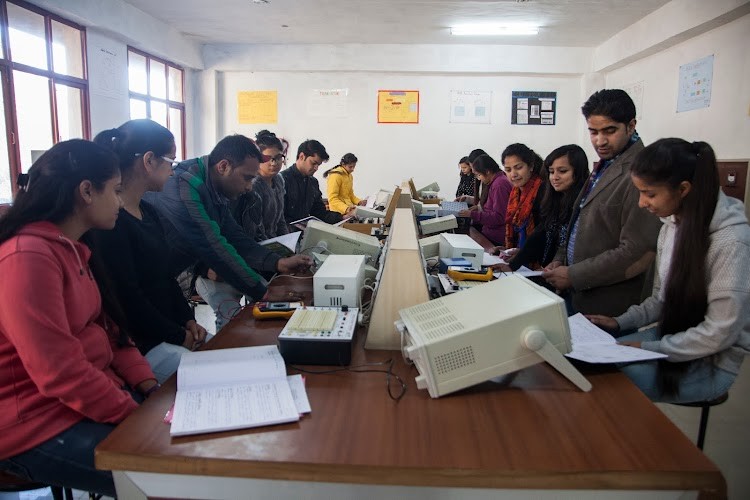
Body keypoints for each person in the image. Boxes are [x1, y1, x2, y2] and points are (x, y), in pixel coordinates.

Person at [0, 140, 157, 497]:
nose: (120, 201)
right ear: (86, 191)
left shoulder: (72, 249)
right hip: (32, 423)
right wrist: (134, 414)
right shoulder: (28, 257)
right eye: (115, 190)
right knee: (173, 471)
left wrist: (148, 387)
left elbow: (111, 333)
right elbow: (58, 372)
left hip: (74, 402)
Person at [587, 138, 750, 403]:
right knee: (598, 363)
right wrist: (620, 322)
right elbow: (662, 299)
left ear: (683, 189)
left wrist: (650, 348)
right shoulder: (671, 227)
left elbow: (720, 332)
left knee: (613, 385)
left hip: (713, 362)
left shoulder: (731, 241)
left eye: (649, 193)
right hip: (672, 335)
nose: (641, 203)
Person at [144, 134, 311, 330]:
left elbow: (234, 235)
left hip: (163, 278)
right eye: (247, 178)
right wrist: (264, 294)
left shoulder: (212, 185)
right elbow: (214, 245)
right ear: (223, 166)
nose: (249, 187)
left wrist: (278, 262)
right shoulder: (185, 187)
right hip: (147, 281)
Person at [88, 119, 208, 383]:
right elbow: (127, 298)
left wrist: (188, 321)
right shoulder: (110, 224)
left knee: (220, 353)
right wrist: (178, 335)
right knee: (212, 378)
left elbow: (166, 278)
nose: (174, 171)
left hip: (170, 331)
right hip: (143, 343)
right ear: (149, 160)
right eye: (171, 162)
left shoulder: (150, 212)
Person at [542, 89, 661, 316]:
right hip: (578, 294)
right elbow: (579, 223)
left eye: (610, 131)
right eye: (593, 132)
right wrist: (560, 259)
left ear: (631, 125)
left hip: (610, 305)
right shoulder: (605, 164)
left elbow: (636, 251)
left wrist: (574, 275)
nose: (600, 141)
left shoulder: (642, 171)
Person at [496, 145, 590, 271]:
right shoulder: (555, 197)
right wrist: (518, 257)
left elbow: (570, 244)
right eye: (551, 172)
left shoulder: (585, 204)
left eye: (562, 171)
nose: (555, 177)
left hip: (571, 273)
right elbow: (543, 231)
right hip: (549, 268)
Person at [232, 130, 289, 241]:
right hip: (259, 244)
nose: (274, 163)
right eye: (268, 159)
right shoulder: (252, 185)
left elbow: (281, 219)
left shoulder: (279, 181)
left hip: (276, 241)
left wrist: (288, 241)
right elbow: (256, 231)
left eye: (278, 158)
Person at [281, 139, 353, 228]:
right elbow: (277, 218)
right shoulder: (282, 180)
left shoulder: (313, 183)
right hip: (285, 235)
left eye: (318, 165)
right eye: (313, 163)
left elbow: (319, 213)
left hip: (303, 234)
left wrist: (341, 217)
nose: (316, 168)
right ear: (302, 156)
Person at [458, 154, 512, 245]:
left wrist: (473, 214)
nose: (479, 179)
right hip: (490, 233)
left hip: (496, 237)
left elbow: (499, 217)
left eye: (479, 175)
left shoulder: (499, 185)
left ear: (487, 172)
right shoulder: (495, 182)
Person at [501, 143, 545, 250]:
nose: (513, 174)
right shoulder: (515, 193)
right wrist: (506, 249)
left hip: (537, 258)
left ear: (531, 166)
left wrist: (519, 255)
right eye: (508, 170)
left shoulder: (542, 191)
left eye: (518, 167)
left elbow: (542, 235)